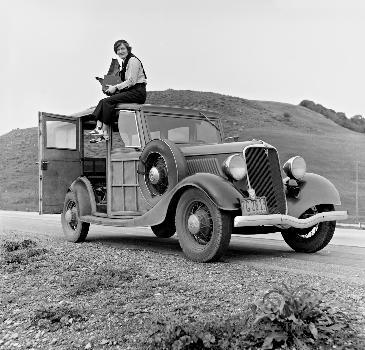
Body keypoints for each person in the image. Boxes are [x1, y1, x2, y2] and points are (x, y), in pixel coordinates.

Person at [90, 39, 147, 143]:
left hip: (137, 92)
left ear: (128, 49)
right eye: (118, 49)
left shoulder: (133, 61)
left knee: (108, 102)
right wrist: (111, 87)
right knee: (104, 101)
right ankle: (100, 130)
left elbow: (131, 81)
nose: (120, 51)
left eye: (122, 49)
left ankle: (104, 131)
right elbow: (123, 81)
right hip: (131, 91)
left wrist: (115, 88)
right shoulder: (125, 62)